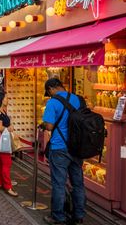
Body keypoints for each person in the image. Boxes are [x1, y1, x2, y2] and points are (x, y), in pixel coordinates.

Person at [41, 78, 85, 225]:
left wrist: (44, 124)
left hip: (59, 147)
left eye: (48, 91)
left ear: (52, 88)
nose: (49, 94)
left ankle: (58, 217)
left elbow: (49, 127)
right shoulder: (78, 99)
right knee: (78, 183)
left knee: (59, 183)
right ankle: (79, 215)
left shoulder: (52, 102)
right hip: (77, 147)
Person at [0, 92, 18, 197]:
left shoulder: (3, 111)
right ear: (2, 100)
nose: (8, 100)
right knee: (6, 164)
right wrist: (8, 128)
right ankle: (8, 187)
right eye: (7, 98)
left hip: (1, 141)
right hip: (3, 142)